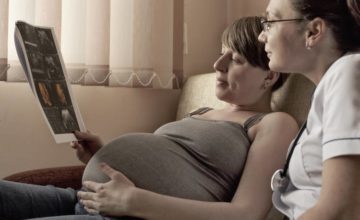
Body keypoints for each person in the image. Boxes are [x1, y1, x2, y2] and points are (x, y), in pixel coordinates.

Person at [0, 16, 298, 220]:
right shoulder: (202, 112)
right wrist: (99, 155)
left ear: (269, 76)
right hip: (84, 197)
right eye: (222, 53)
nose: (217, 64)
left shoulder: (273, 123)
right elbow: (165, 163)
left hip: (127, 214)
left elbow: (246, 214)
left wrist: (134, 201)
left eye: (235, 59)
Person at [257, 0, 360, 219]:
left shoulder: (347, 72)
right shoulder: (331, 84)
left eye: (270, 22)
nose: (261, 36)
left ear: (313, 32)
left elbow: (342, 210)